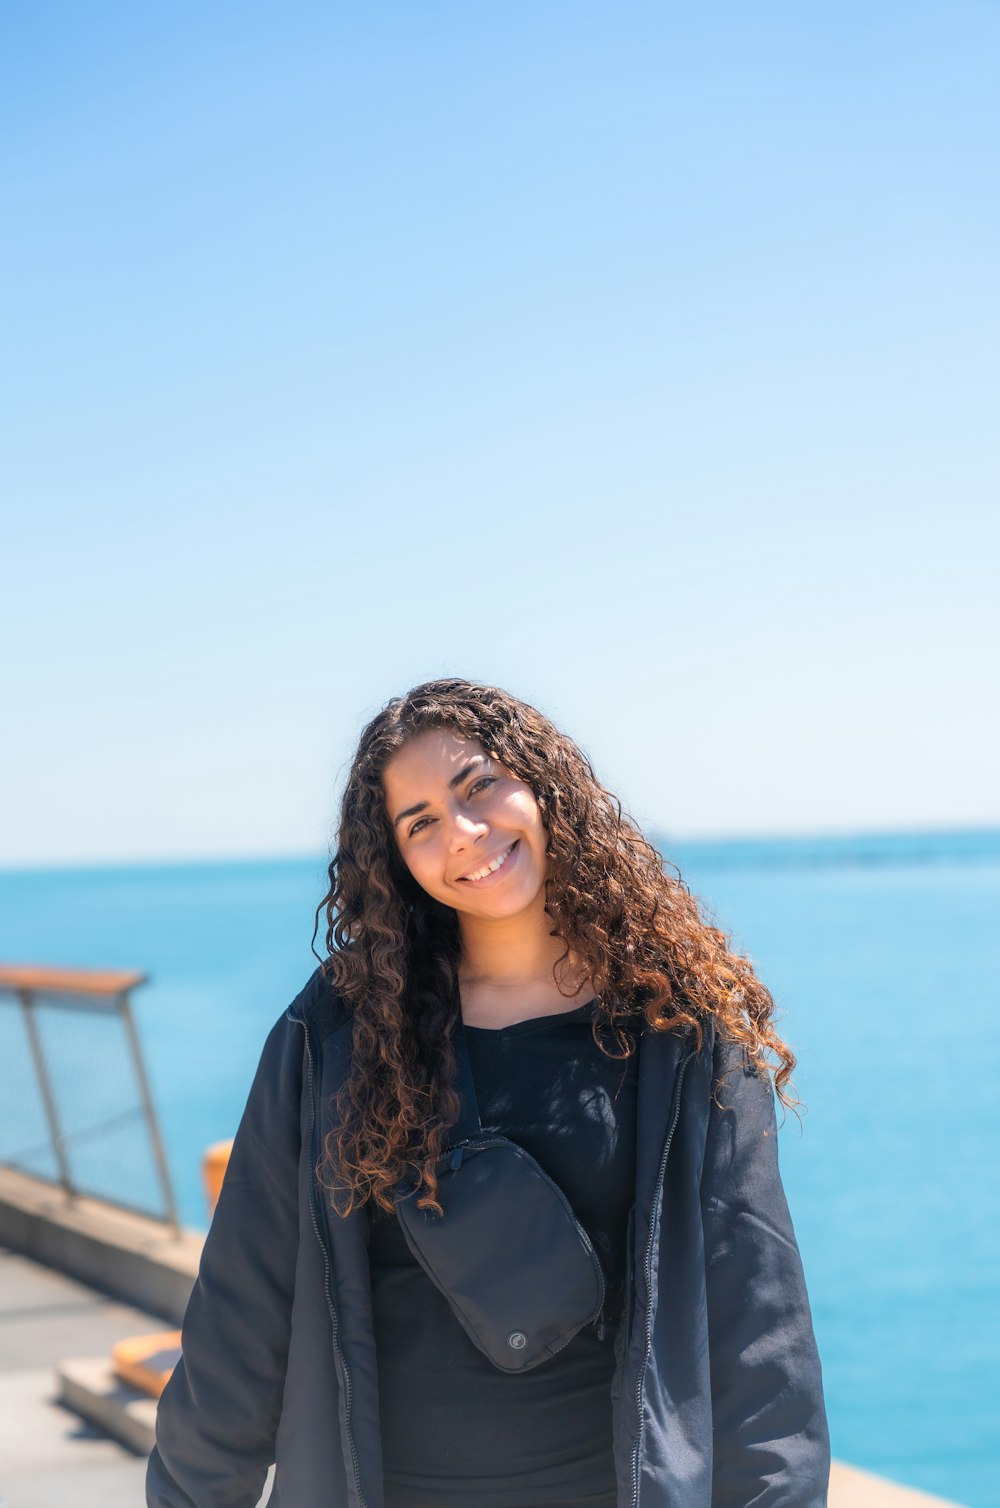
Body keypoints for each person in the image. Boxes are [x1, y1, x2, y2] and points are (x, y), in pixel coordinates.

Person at [146, 677, 831, 1508]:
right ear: (396, 858)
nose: (465, 834)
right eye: (422, 822)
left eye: (480, 787)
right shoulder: (338, 1030)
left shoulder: (676, 1030)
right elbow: (242, 1309)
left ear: (543, 788)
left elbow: (758, 1326)